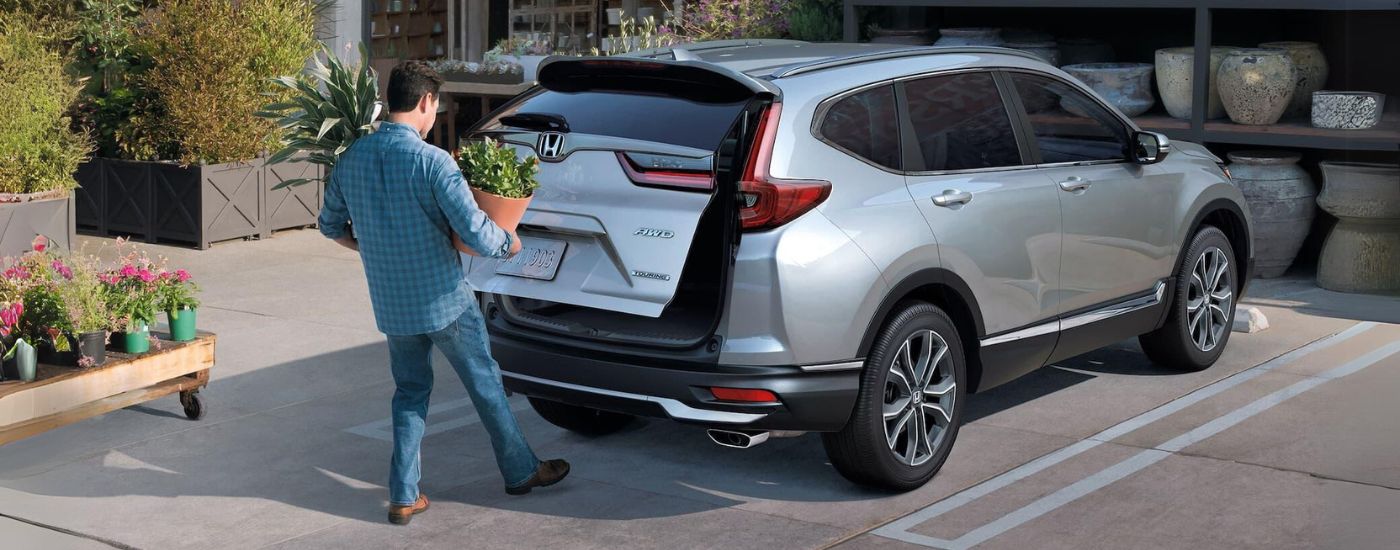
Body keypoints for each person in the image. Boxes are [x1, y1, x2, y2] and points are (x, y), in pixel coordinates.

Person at [318, 60, 569, 526]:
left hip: (392, 304)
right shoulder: (431, 161)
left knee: (410, 392)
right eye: (436, 105)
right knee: (486, 385)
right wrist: (509, 243)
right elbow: (476, 232)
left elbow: (330, 225)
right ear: (426, 102)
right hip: (444, 301)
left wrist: (371, 249)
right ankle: (520, 471)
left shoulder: (351, 158)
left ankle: (403, 494)